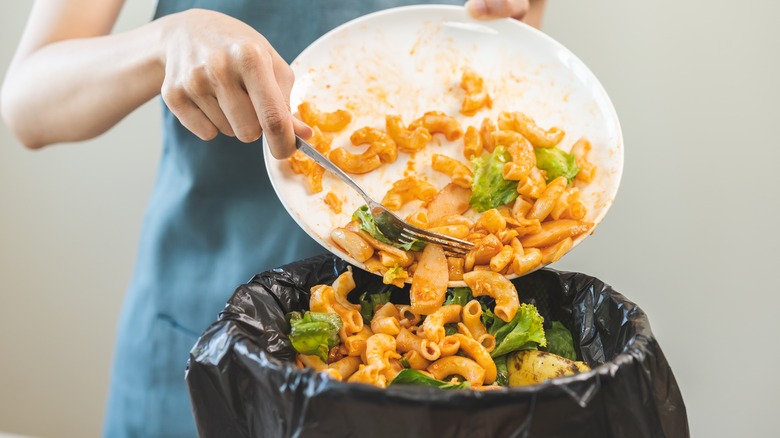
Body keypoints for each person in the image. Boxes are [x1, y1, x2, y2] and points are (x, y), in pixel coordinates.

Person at [1, 0, 546, 436]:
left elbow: (518, 50)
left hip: (427, 343)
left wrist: (515, 19)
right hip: (208, 330)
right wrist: (164, 42)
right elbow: (28, 104)